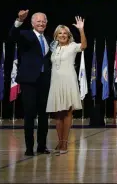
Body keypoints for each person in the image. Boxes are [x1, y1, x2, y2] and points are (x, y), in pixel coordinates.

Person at [9, 10, 52, 156]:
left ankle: (42, 146)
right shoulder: (25, 35)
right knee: (29, 114)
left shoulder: (47, 39)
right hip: (29, 81)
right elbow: (13, 35)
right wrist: (19, 21)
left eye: (43, 21)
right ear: (33, 23)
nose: (41, 23)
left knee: (44, 115)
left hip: (44, 81)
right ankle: (29, 147)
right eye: (38, 21)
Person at [46, 16, 87, 155]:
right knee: (58, 114)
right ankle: (59, 141)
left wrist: (81, 30)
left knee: (68, 112)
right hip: (56, 82)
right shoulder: (53, 48)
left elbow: (84, 46)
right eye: (60, 33)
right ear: (56, 36)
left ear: (68, 35)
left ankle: (65, 143)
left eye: (65, 33)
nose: (62, 35)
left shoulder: (72, 46)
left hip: (69, 82)